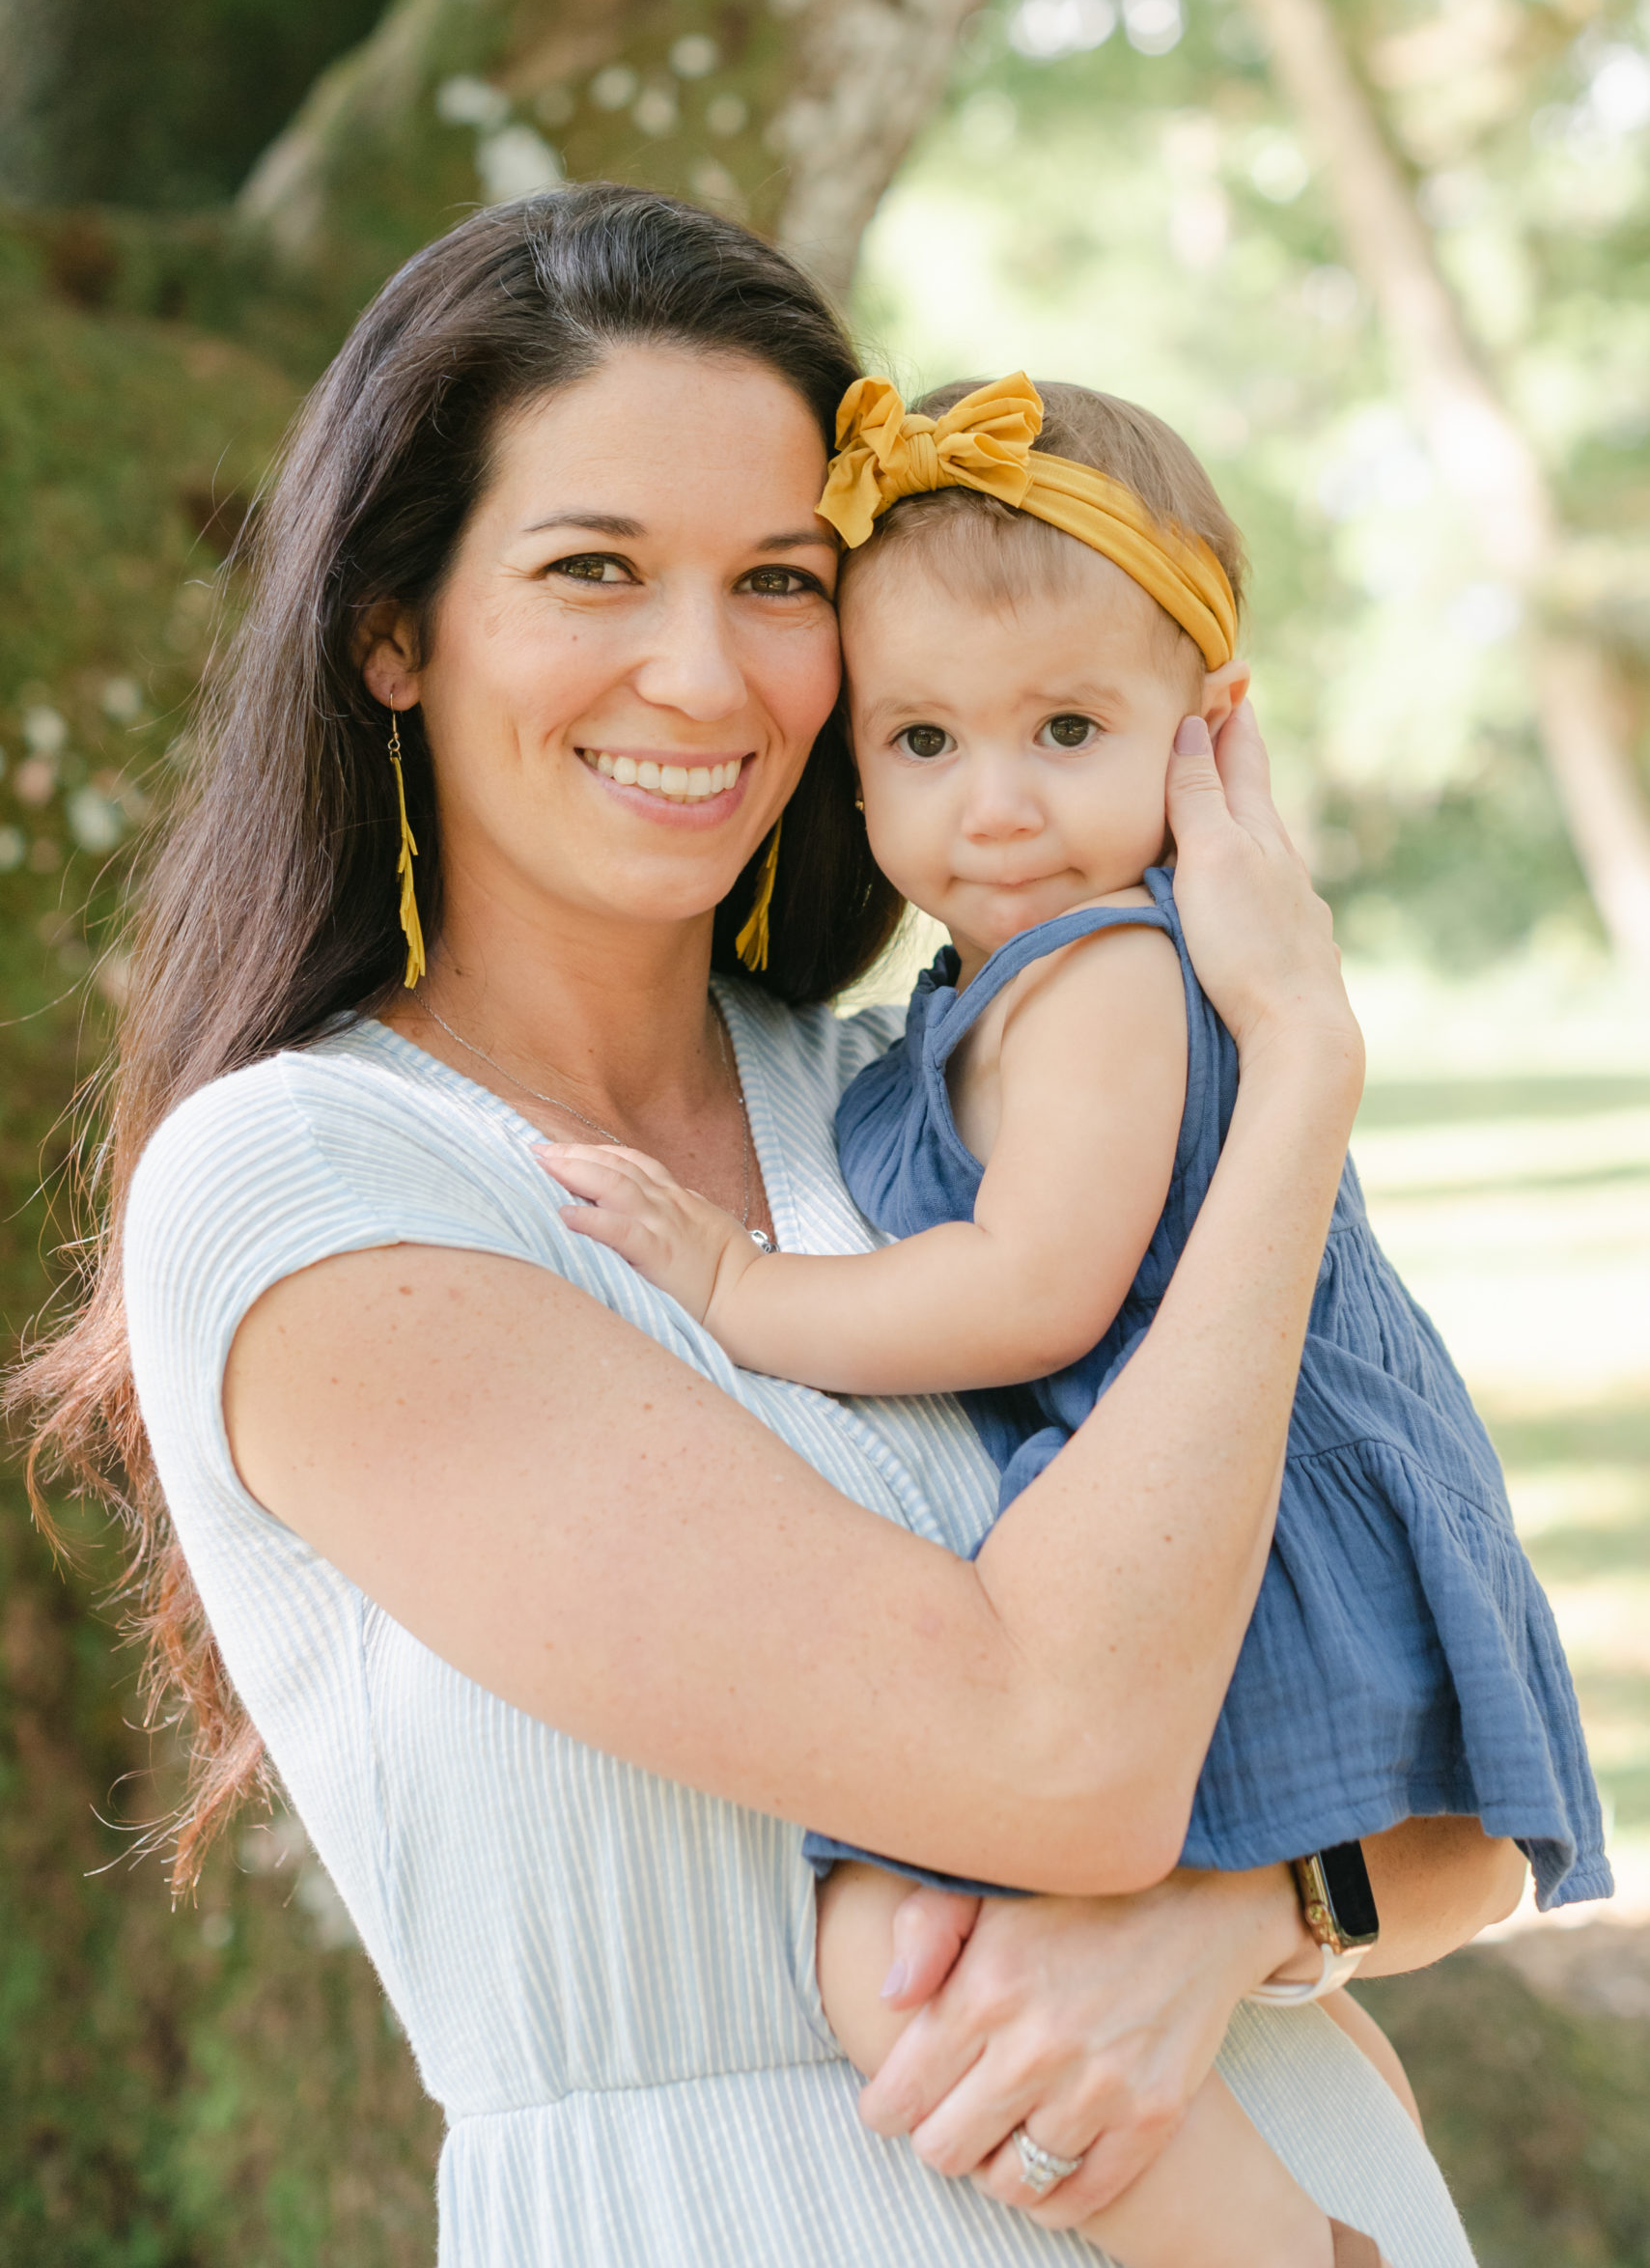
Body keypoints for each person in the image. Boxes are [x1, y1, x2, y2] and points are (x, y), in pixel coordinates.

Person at [15, 188, 1525, 2268]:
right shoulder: (311, 1187)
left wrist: (1236, 1918)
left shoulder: (949, 1094)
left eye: (781, 580)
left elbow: (1470, 1758)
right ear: (393, 626)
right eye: (593, 569)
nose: (703, 668)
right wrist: (1300, 1091)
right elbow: (1059, 1753)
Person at [544, 371, 1609, 2267]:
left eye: (1066, 727)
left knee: (894, 1945)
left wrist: (736, 1285)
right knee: (959, 1938)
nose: (1001, 803)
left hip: (1245, 1517)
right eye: (928, 739)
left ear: (1207, 740)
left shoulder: (1106, 978)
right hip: (1205, 1486)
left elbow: (1031, 1285)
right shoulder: (1015, 984)